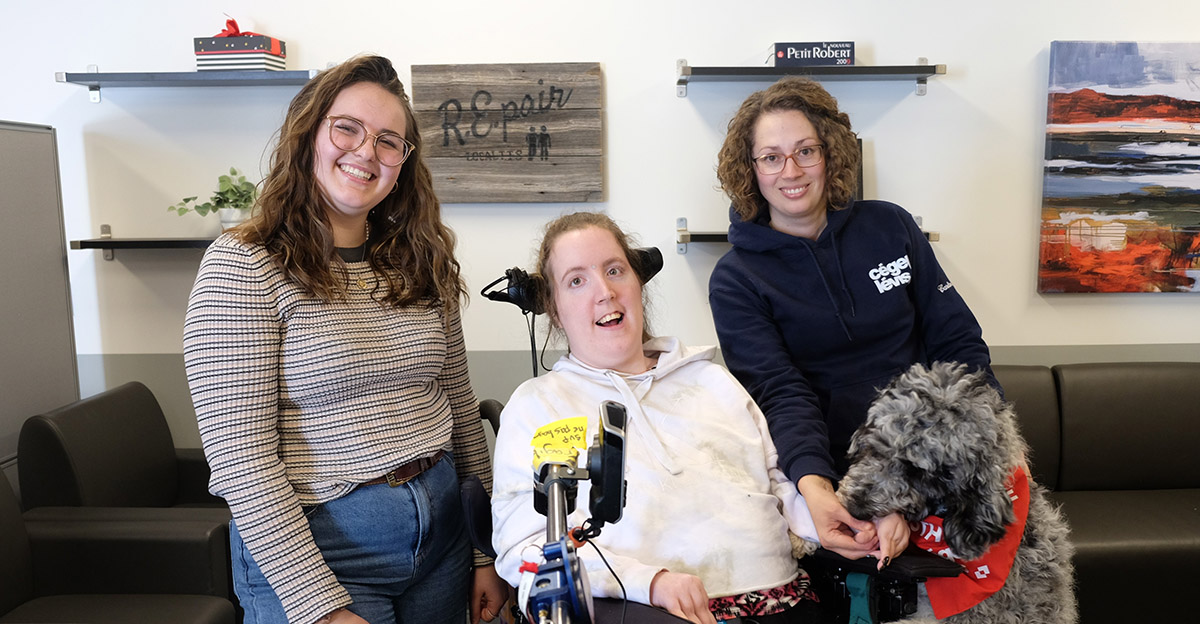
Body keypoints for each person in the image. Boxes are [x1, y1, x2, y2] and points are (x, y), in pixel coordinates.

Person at [183, 55, 508, 624]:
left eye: (388, 141)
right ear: (308, 133)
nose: (366, 152)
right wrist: (320, 607)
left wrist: (485, 551)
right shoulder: (244, 266)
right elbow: (240, 459)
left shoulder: (419, 259)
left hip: (445, 549)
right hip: (322, 561)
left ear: (404, 163)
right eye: (347, 128)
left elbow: (459, 406)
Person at [708, 77, 1000, 567]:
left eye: (806, 151)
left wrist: (988, 437)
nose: (791, 170)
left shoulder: (891, 226)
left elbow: (958, 343)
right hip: (836, 472)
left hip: (936, 451)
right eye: (771, 157)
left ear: (830, 153)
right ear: (751, 169)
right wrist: (822, 492)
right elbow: (780, 393)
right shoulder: (736, 279)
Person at [490, 212, 823, 624]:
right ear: (555, 310)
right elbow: (523, 547)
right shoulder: (538, 406)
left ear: (638, 284)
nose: (605, 292)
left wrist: (838, 522)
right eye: (577, 281)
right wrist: (648, 582)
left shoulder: (711, 380)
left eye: (615, 270)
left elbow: (778, 484)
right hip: (654, 611)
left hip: (784, 600)